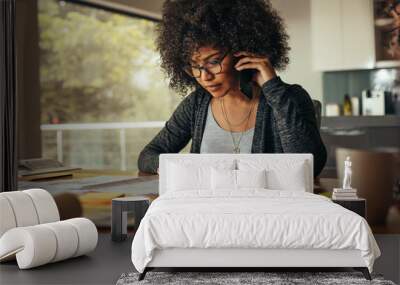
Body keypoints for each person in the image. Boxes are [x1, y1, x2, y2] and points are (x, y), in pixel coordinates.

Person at [138, 0, 327, 177]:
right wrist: (177, 166)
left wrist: (274, 89)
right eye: (195, 66)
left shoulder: (289, 97)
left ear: (242, 50)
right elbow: (147, 156)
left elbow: (311, 166)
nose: (205, 77)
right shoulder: (196, 105)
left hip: (266, 209)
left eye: (213, 61)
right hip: (206, 210)